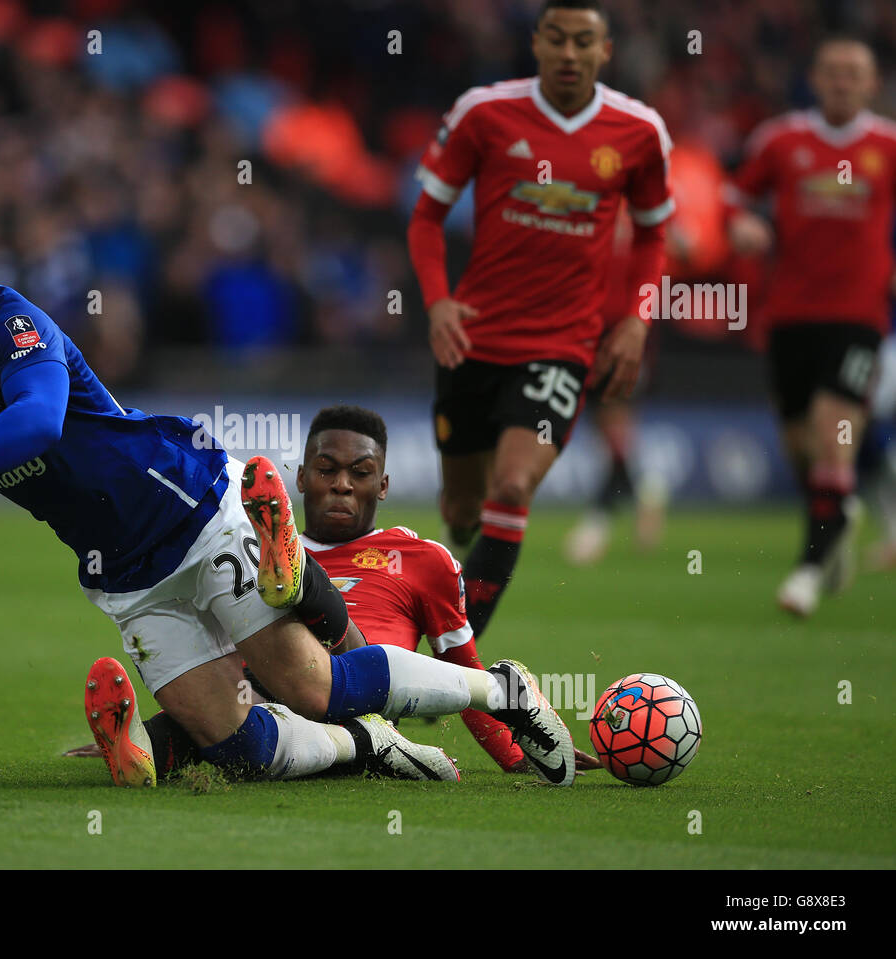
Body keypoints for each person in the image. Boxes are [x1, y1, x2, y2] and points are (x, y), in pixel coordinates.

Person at [0, 214, 575, 787]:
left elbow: (37, 423)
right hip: (118, 570)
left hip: (184, 507)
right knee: (235, 743)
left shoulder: (10, 323)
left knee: (307, 684)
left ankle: (503, 690)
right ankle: (371, 752)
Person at [74, 405, 602, 782]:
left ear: (384, 486)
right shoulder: (239, 542)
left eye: (361, 473)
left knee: (299, 668)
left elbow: (463, 669)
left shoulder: (424, 560)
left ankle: (299, 584)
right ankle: (141, 746)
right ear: (301, 479)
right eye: (327, 471)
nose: (342, 485)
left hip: (359, 684)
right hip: (268, 688)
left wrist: (515, 755)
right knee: (228, 734)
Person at [407, 0, 672, 638]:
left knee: (515, 484)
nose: (570, 53)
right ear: (537, 43)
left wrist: (637, 320)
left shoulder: (639, 131)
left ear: (606, 50)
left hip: (563, 344)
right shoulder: (484, 111)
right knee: (463, 508)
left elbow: (653, 236)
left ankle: (454, 661)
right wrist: (439, 301)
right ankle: (453, 560)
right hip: (473, 336)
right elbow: (426, 219)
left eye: (585, 41)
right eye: (557, 38)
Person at [724, 36, 896, 616]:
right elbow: (733, 197)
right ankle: (835, 523)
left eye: (855, 73)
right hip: (791, 317)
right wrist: (742, 225)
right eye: (832, 71)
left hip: (859, 320)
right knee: (801, 448)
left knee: (833, 434)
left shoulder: (887, 146)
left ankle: (806, 571)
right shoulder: (782, 140)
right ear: (815, 79)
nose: (843, 81)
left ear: (872, 84)